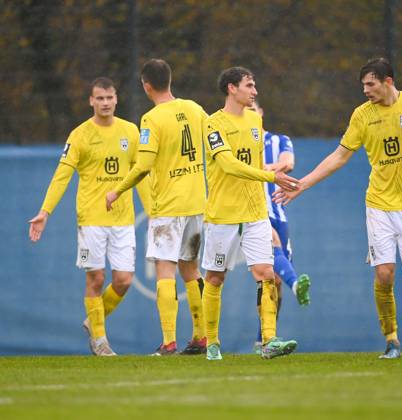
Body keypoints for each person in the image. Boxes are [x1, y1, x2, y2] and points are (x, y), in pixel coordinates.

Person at [273, 58, 402, 359]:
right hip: (379, 205)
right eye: (363, 86)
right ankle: (392, 340)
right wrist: (303, 184)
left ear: (388, 81)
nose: (366, 90)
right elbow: (339, 157)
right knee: (384, 275)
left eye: (370, 84)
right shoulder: (362, 116)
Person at [29, 77, 150, 356]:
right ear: (91, 101)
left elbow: (140, 174)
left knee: (124, 280)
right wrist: (44, 212)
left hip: (123, 218)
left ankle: (93, 321)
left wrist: (152, 212)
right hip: (92, 218)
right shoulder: (80, 135)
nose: (105, 103)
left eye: (109, 98)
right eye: (100, 98)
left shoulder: (130, 132)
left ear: (116, 99)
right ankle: (99, 340)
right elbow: (62, 176)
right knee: (95, 279)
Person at [106, 58, 208, 356]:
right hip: (196, 203)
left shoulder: (152, 119)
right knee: (191, 268)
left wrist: (117, 190)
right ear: (170, 80)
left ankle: (168, 342)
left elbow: (144, 165)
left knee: (166, 268)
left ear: (146, 85)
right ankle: (201, 337)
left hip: (168, 206)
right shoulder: (194, 109)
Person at [201, 66, 300, 361]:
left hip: (256, 213)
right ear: (232, 88)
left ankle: (269, 340)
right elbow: (229, 165)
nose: (255, 91)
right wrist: (271, 177)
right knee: (215, 278)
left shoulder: (256, 120)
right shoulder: (213, 124)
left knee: (266, 274)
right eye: (249, 85)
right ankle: (213, 343)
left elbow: (256, 165)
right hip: (223, 214)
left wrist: (266, 208)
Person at [249, 101, 311, 354]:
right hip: (250, 213)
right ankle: (296, 283)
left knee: (273, 279)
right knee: (272, 251)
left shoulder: (278, 140)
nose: (249, 114)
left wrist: (265, 170)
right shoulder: (235, 141)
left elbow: (289, 163)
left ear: (261, 113)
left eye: (254, 110)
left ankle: (263, 339)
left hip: (277, 213)